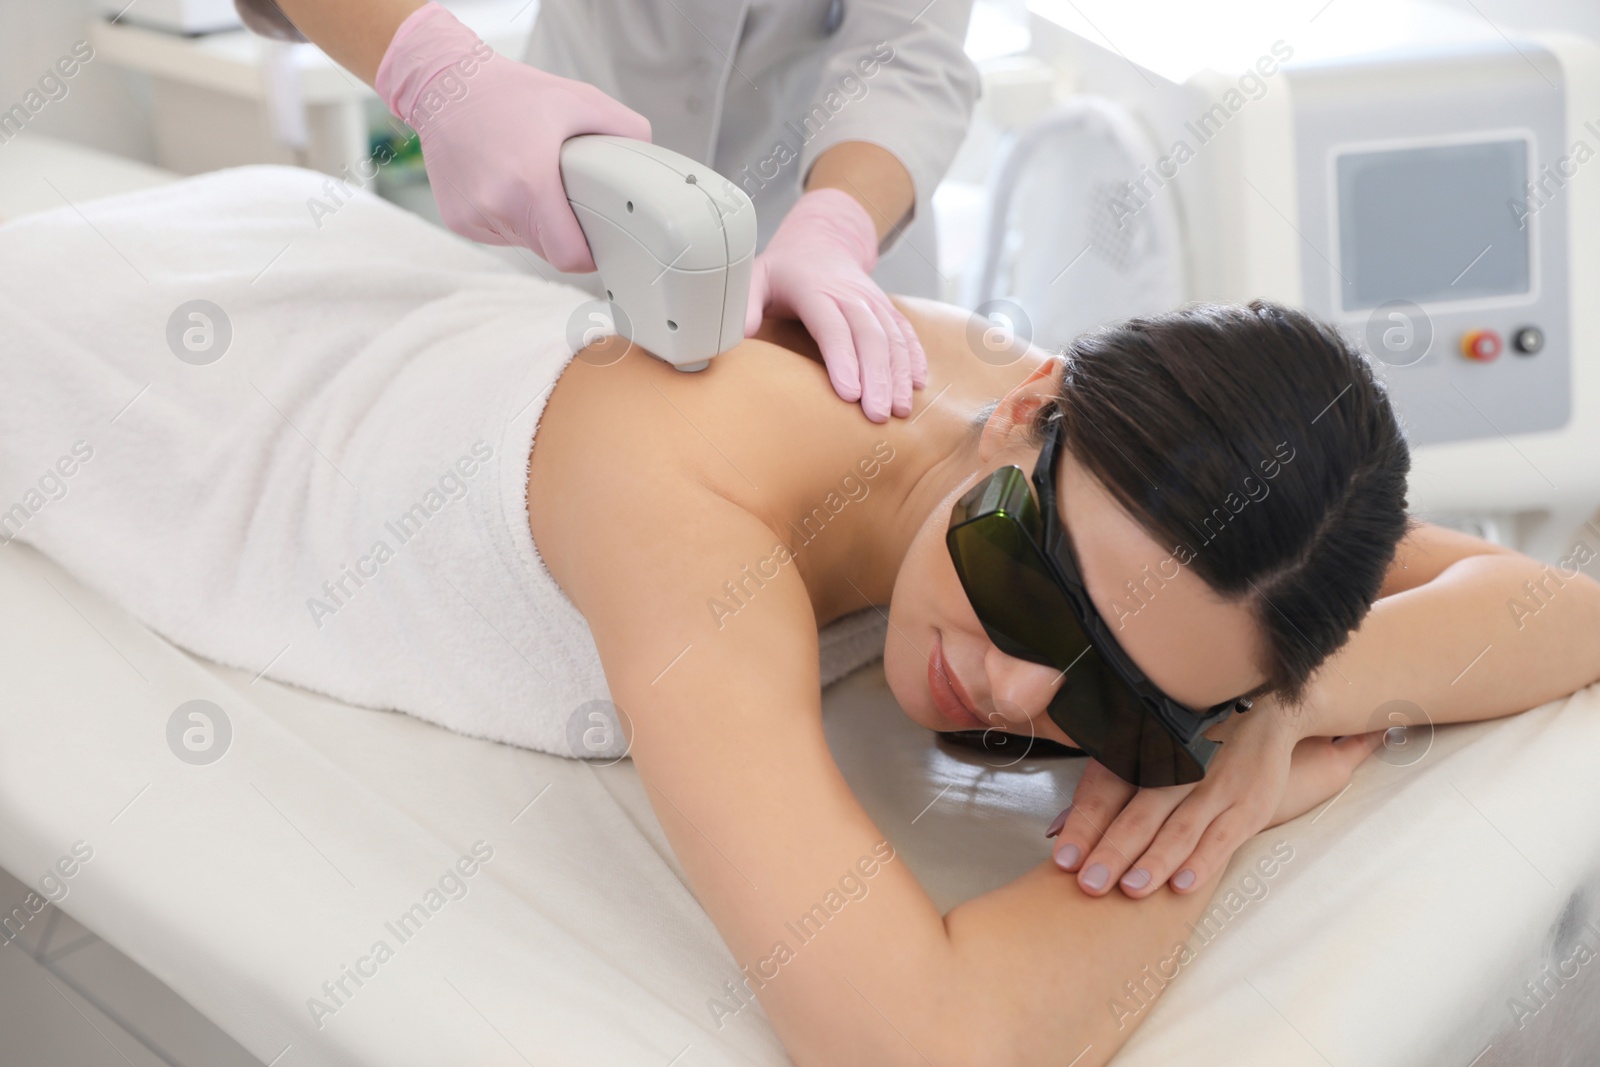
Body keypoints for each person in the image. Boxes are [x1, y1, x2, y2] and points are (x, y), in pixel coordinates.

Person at [4, 165, 1598, 1064]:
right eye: (1032, 584)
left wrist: (1274, 718)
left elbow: (1565, 611)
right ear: (1027, 408)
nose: (1015, 686)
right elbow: (917, 1044)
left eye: (1119, 698)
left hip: (369, 298)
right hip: (135, 379)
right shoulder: (686, 515)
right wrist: (1204, 813)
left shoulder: (1143, 502)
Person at [234, 0, 980, 424]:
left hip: (830, 246)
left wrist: (837, 225)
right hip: (568, 218)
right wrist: (428, 66)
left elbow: (911, 53)